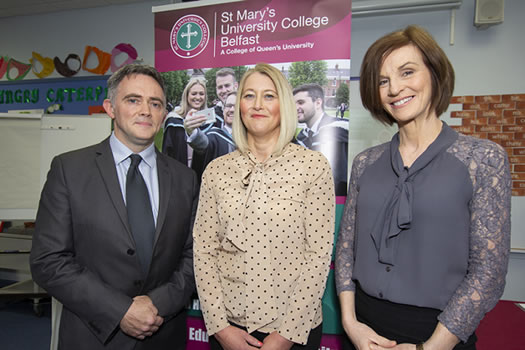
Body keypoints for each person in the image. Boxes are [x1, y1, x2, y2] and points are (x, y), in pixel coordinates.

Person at [335, 25, 511, 350]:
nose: (394, 88)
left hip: (441, 334)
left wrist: (430, 347)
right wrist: (350, 323)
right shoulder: (364, 163)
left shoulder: (482, 159)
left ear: (434, 73)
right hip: (362, 332)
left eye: (407, 72)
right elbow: (347, 250)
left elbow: (489, 273)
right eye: (383, 81)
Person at [30, 64, 199, 350]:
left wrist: (157, 304)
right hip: (93, 336)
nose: (145, 110)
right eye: (133, 100)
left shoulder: (185, 178)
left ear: (163, 114)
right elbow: (48, 260)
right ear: (110, 108)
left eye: (155, 103)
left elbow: (194, 256)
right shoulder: (69, 170)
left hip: (164, 334)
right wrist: (120, 310)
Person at [193, 63, 335, 350]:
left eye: (269, 96)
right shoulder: (216, 171)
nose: (257, 105)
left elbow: (318, 256)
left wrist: (287, 334)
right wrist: (220, 327)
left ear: (283, 105)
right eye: (249, 96)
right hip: (232, 330)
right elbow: (204, 250)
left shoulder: (313, 166)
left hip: (294, 330)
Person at [293, 83, 349, 195]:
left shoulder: (338, 128)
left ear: (318, 103)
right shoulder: (302, 137)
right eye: (293, 104)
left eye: (301, 102)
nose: (295, 108)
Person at [162, 76, 218, 168]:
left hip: (204, 173)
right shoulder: (174, 120)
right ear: (187, 95)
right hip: (180, 172)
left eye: (201, 94)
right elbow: (167, 153)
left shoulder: (210, 121)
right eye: (194, 93)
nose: (198, 97)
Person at [191, 91, 237, 178]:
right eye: (228, 106)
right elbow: (203, 144)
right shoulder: (214, 136)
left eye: (236, 106)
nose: (231, 109)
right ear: (223, 109)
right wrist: (192, 131)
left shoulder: (250, 139)